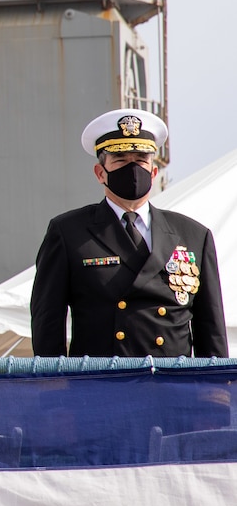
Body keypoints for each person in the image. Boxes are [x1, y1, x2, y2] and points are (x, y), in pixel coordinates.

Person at [31, 109, 226, 358]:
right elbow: (47, 320)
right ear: (100, 173)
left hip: (172, 387)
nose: (133, 168)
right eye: (121, 160)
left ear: (154, 172)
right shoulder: (69, 233)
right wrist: (53, 386)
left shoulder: (193, 236)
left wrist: (215, 390)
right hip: (101, 385)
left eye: (141, 160)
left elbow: (211, 329)